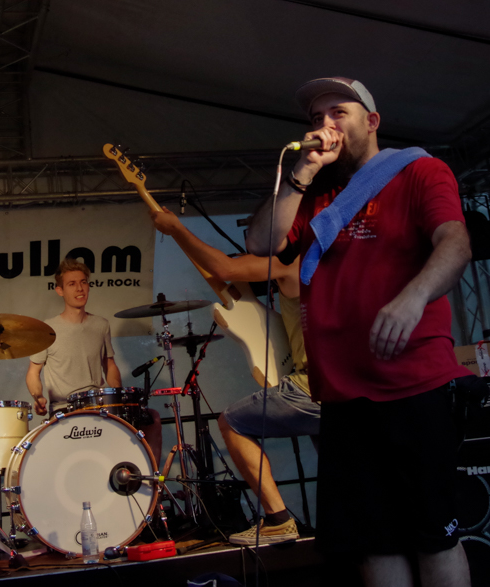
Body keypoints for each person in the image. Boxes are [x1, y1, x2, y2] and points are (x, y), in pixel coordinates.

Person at [246, 77, 473, 586]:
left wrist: (414, 295)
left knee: (433, 535)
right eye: (316, 117)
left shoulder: (418, 171)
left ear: (371, 122)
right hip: (342, 397)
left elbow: (456, 243)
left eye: (338, 112)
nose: (324, 125)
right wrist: (302, 172)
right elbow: (261, 243)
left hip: (411, 385)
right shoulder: (313, 192)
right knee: (372, 544)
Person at [150, 208, 318, 545]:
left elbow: (224, 268)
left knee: (231, 421)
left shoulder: (289, 262)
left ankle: (278, 519)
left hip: (311, 387)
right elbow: (233, 272)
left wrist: (177, 229)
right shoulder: (331, 258)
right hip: (347, 386)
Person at [26, 258, 162, 465]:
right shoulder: (47, 330)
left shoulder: (101, 325)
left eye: (83, 282)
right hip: (65, 408)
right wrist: (38, 397)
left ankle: (147, 479)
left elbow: (109, 365)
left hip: (98, 405)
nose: (80, 289)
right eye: (72, 284)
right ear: (60, 290)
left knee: (152, 418)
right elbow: (33, 373)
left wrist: (118, 398)